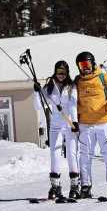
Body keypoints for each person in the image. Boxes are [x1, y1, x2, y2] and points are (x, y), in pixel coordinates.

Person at [74, 51, 107, 199]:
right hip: (85, 124)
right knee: (84, 157)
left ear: (92, 63)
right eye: (81, 65)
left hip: (103, 122)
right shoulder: (78, 81)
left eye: (87, 64)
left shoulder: (103, 76)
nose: (85, 67)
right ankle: (85, 187)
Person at [33, 60, 80, 200]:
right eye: (59, 72)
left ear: (67, 73)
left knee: (71, 153)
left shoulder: (71, 86)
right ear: (55, 71)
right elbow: (38, 106)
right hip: (55, 125)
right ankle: (55, 186)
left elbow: (72, 104)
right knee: (54, 153)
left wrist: (74, 122)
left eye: (64, 73)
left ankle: (74, 186)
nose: (61, 75)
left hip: (69, 124)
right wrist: (36, 92)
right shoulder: (49, 87)